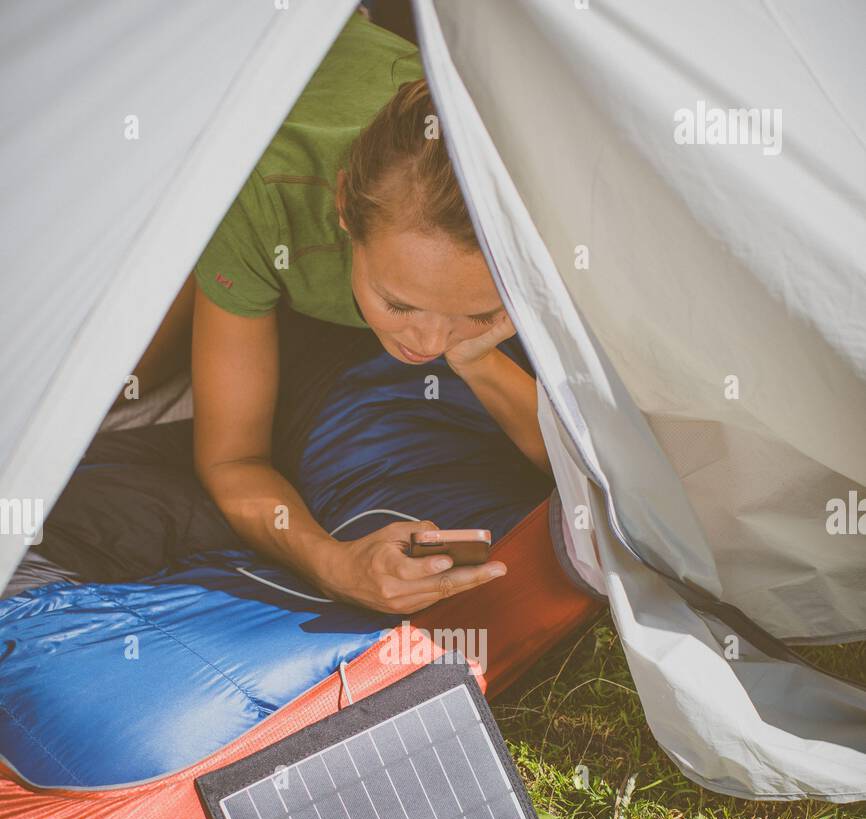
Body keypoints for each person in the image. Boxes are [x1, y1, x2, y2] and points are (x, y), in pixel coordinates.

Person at [30, 12, 550, 613]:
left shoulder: (535, 206)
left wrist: (478, 358)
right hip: (164, 83)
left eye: (477, 311)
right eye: (398, 302)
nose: (430, 342)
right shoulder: (260, 201)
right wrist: (335, 565)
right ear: (343, 210)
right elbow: (232, 458)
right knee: (106, 387)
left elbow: (592, 470)